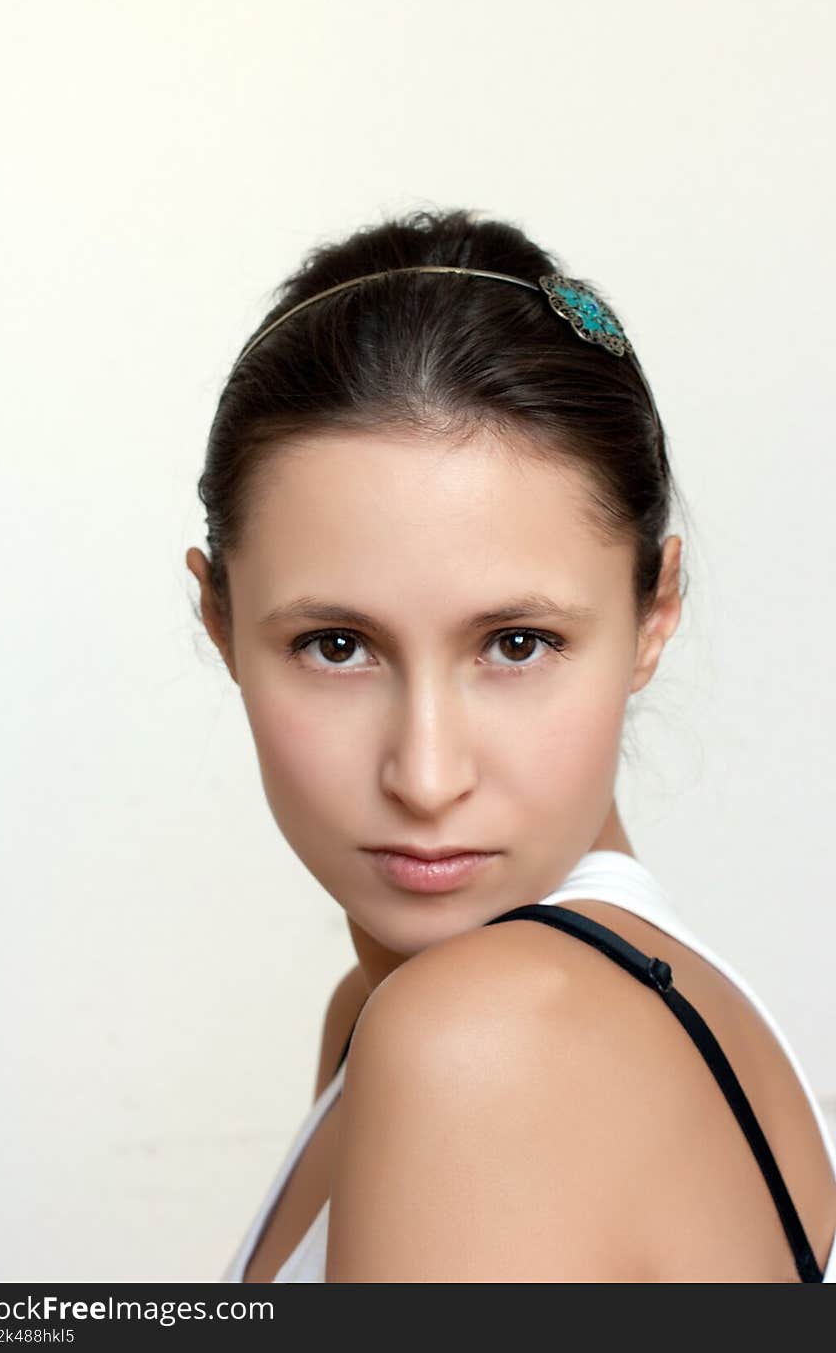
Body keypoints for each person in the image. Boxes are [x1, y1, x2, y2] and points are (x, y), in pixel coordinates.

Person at [186, 207, 836, 1283]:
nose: (427, 774)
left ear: (655, 613)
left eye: (517, 642)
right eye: (336, 645)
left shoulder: (483, 1039)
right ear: (219, 621)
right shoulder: (397, 1012)